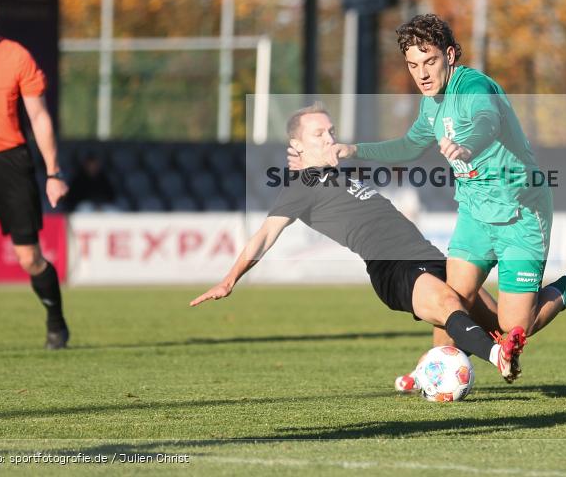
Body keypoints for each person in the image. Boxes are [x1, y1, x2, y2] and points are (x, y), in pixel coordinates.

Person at [290, 14, 566, 350]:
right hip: (475, 213)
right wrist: (354, 149)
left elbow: (487, 120)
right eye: (413, 65)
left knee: (517, 324)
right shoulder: (431, 105)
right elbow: (410, 145)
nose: (422, 74)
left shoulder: (474, 86)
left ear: (450, 56)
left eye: (429, 61)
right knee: (453, 299)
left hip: (521, 212)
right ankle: (437, 367)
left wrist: (466, 144)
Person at [191, 104, 528, 383]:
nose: (329, 138)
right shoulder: (299, 187)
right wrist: (230, 278)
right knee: (446, 304)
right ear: (297, 146)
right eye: (318, 134)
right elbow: (264, 235)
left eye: (331, 131)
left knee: (504, 323)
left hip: (430, 256)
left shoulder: (339, 171)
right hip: (392, 267)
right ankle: (496, 356)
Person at [0, 0, 70, 349]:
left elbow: (39, 117)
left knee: (30, 259)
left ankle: (55, 318)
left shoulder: (16, 57)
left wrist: (53, 172)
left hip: (10, 162)